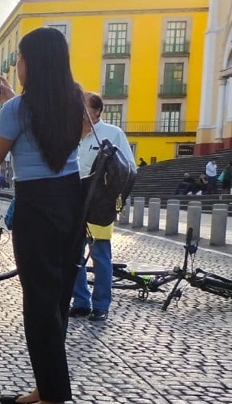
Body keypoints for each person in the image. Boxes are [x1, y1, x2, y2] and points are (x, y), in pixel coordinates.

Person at [0, 27, 84, 404]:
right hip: (71, 201)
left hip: (36, 205)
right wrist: (12, 103)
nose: (17, 65)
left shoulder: (16, 110)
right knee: (57, 300)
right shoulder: (75, 99)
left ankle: (53, 400)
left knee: (38, 303)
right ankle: (47, 387)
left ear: (34, 62)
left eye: (20, 58)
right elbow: (48, 131)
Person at [71, 91, 132, 324]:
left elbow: (129, 169)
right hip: (74, 200)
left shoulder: (113, 134)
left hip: (99, 202)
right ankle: (81, 302)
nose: (79, 109)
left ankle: (101, 305)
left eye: (84, 105)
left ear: (97, 111)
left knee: (100, 255)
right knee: (72, 255)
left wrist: (112, 195)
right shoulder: (72, 135)